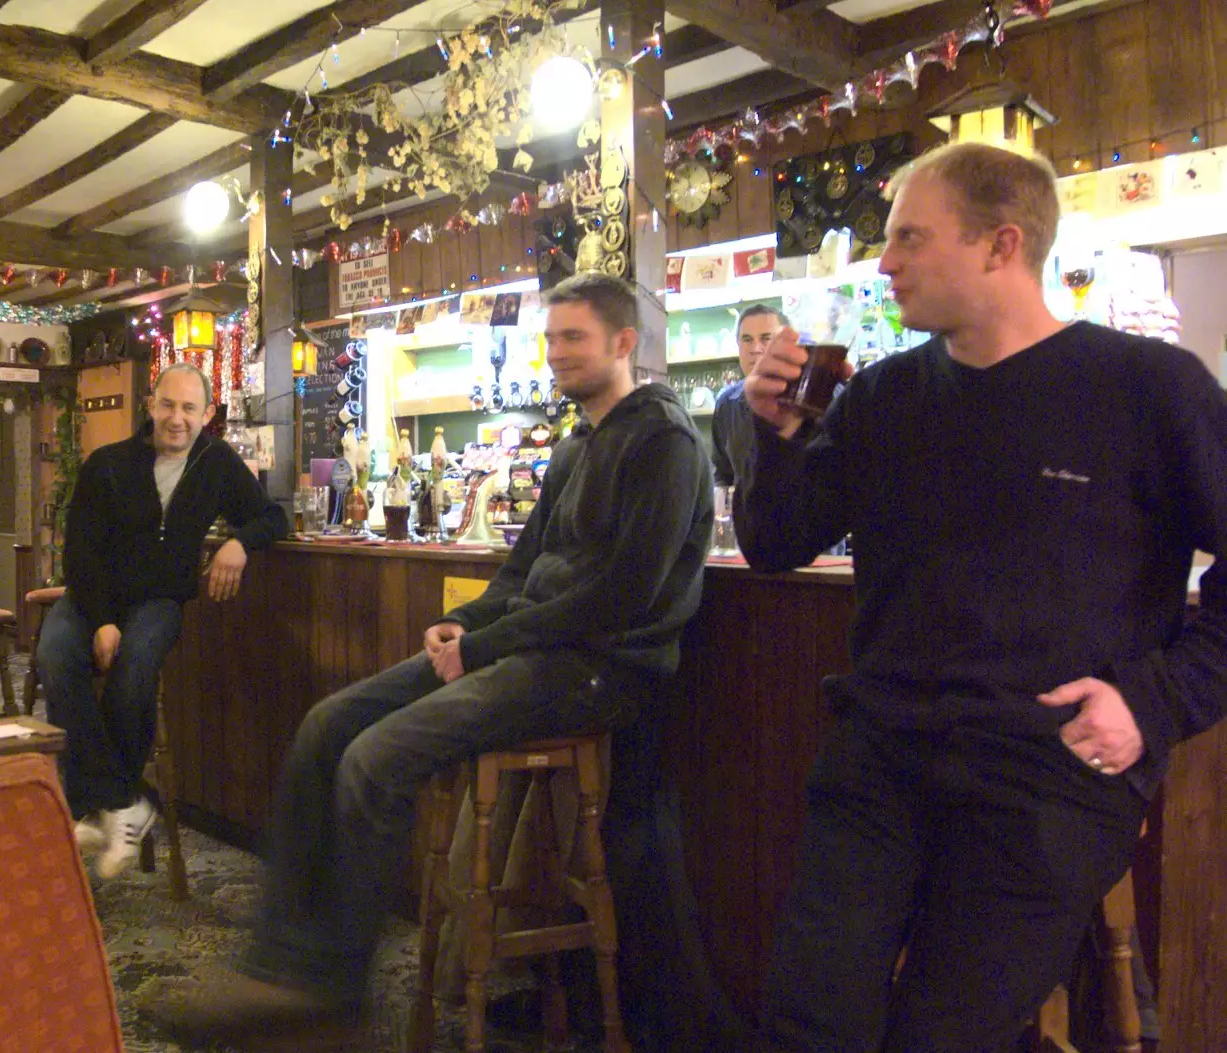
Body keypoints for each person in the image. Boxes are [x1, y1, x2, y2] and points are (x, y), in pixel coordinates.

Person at [738, 141, 1227, 1052]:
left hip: (1046, 766)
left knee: (942, 1037)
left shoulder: (1149, 389)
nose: (885, 263)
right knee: (810, 1023)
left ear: (1002, 246)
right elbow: (774, 542)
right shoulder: (882, 398)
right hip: (881, 752)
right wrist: (773, 438)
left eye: (909, 238)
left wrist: (1156, 700)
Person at [151, 273, 714, 1049]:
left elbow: (623, 596)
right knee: (325, 727)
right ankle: (279, 971)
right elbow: (521, 572)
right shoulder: (576, 443)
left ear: (625, 343)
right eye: (550, 338)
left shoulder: (665, 442)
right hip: (532, 648)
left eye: (573, 338)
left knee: (375, 760)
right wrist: (460, 622)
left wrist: (483, 645)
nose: (555, 354)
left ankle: (331, 999)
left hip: (603, 669)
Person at [40, 362, 287, 879]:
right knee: (56, 656)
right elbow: (80, 553)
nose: (177, 419)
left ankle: (94, 804)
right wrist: (103, 620)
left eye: (189, 408)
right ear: (150, 406)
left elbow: (271, 516)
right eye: (168, 405)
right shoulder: (107, 464)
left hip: (158, 601)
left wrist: (240, 543)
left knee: (135, 670)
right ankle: (119, 801)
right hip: (93, 594)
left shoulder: (216, 462)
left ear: (208, 415)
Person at [710, 303, 788, 489]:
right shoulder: (727, 404)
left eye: (766, 338)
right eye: (747, 339)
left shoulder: (810, 400)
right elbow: (723, 473)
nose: (755, 348)